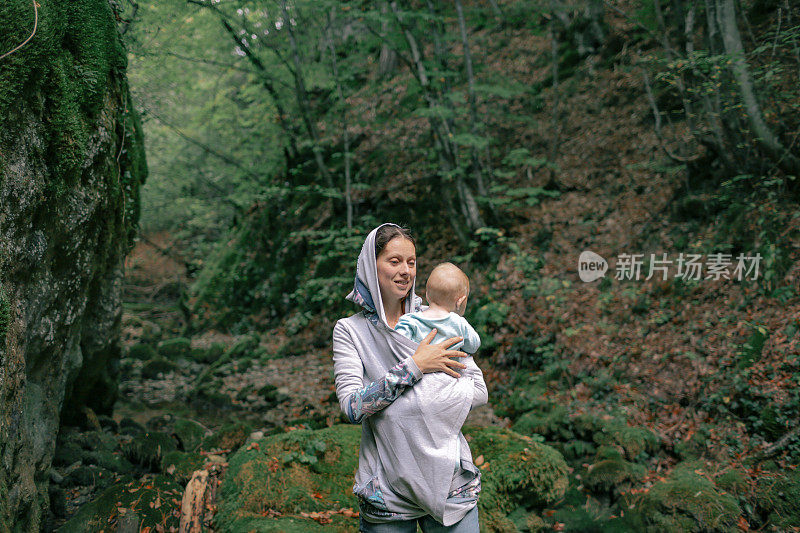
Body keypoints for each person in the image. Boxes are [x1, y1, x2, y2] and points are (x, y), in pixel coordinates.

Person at [332, 223, 488, 533]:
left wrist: (412, 405)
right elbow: (351, 408)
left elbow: (478, 388)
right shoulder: (350, 331)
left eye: (412, 262)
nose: (406, 271)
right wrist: (415, 366)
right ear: (369, 265)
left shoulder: (435, 316)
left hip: (449, 483)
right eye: (394, 261)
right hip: (387, 492)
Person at [393, 261, 484, 484]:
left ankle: (413, 468)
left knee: (419, 430)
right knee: (445, 432)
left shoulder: (410, 319)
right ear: (460, 300)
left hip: (419, 382)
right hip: (448, 382)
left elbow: (398, 343)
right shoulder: (459, 323)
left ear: (426, 292)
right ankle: (450, 467)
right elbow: (474, 344)